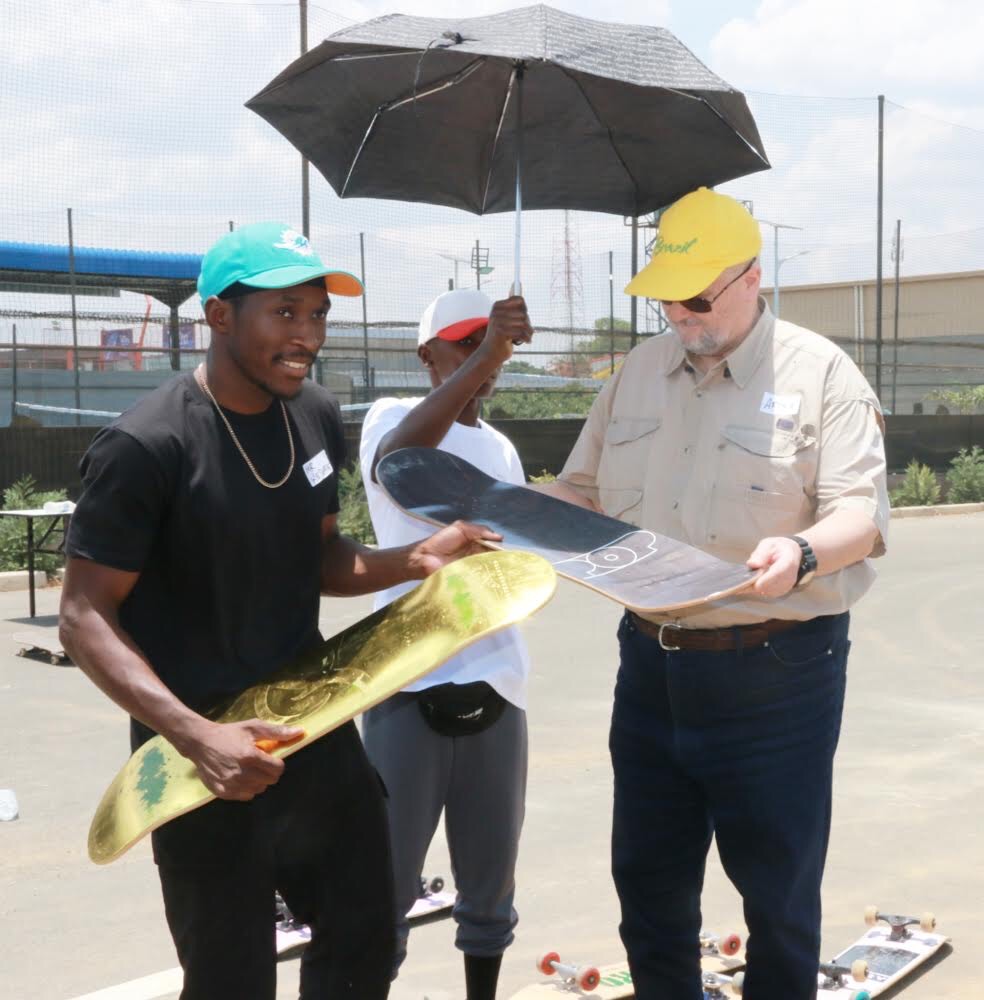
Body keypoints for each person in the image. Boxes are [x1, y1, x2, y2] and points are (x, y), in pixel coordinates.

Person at [58, 223, 497, 1000]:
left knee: (364, 942)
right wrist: (198, 737)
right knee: (231, 979)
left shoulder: (313, 415)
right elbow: (85, 617)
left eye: (318, 316)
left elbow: (322, 557)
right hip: (205, 763)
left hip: (316, 732)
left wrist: (413, 560)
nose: (307, 337)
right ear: (220, 316)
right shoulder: (147, 446)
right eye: (285, 314)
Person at [548, 188, 890, 998]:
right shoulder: (637, 372)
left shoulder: (819, 374)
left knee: (777, 896)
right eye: (666, 297)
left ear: (751, 279)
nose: (679, 314)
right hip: (652, 670)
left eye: (697, 297)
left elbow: (862, 516)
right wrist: (505, 515)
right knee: (649, 885)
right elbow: (579, 492)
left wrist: (803, 551)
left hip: (775, 674)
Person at [359, 288, 533, 1000]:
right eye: (464, 344)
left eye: (488, 344)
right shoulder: (391, 419)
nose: (478, 360)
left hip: (496, 681)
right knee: (385, 888)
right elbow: (399, 469)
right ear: (427, 353)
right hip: (407, 683)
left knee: (490, 889)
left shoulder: (500, 447)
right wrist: (488, 354)